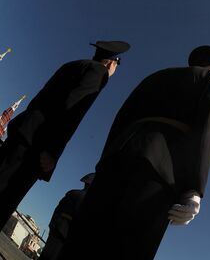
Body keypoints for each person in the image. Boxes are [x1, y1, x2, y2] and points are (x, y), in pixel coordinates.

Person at [34, 45, 210, 260]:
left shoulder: (156, 76)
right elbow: (207, 131)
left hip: (116, 161)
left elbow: (120, 119)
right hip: (159, 172)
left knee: (80, 252)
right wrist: (195, 188)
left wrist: (103, 165)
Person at [0, 41, 130, 229]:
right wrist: (52, 150)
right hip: (36, 146)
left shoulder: (73, 65)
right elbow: (72, 110)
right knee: (5, 198)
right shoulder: (98, 73)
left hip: (23, 132)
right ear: (111, 63)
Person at [29, 172, 95, 260]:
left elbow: (57, 211)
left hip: (57, 229)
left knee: (46, 258)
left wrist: (52, 226)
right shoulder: (84, 200)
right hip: (64, 233)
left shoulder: (72, 193)